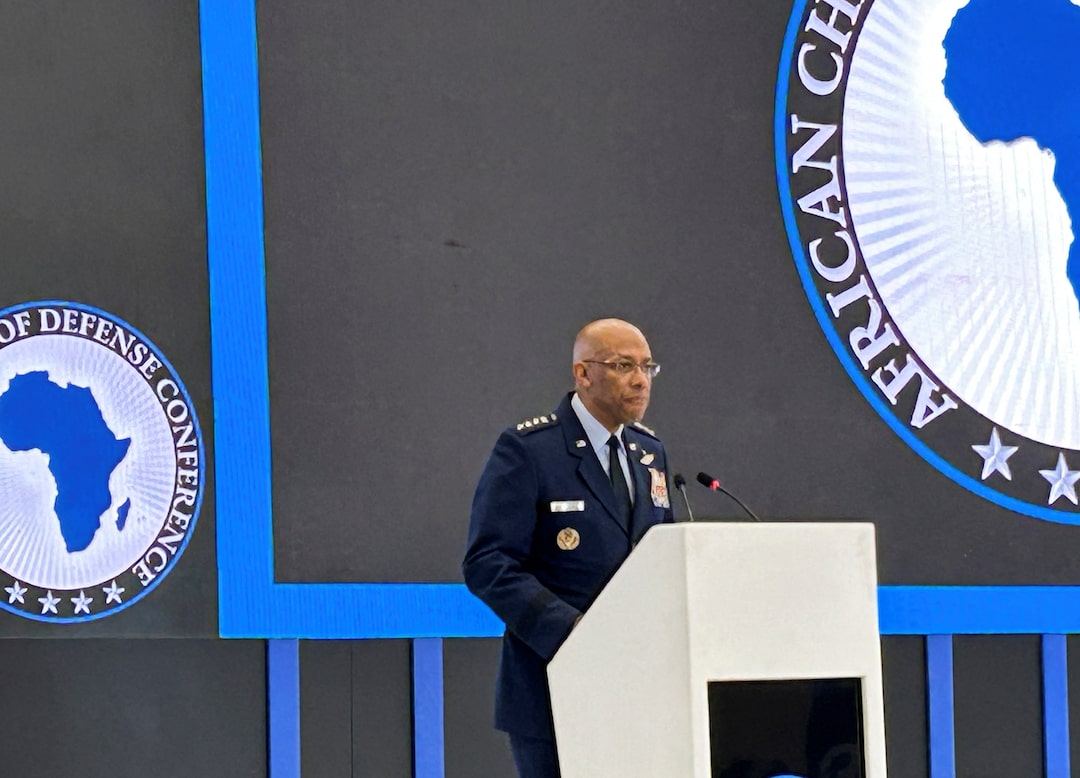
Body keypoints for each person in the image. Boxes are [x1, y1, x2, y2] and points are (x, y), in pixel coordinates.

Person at [463, 318, 675, 778]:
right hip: (551, 687)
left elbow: (665, 559)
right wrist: (574, 631)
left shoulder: (649, 453)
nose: (641, 380)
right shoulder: (530, 449)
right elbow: (488, 563)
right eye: (624, 366)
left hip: (640, 689)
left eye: (647, 367)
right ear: (583, 373)